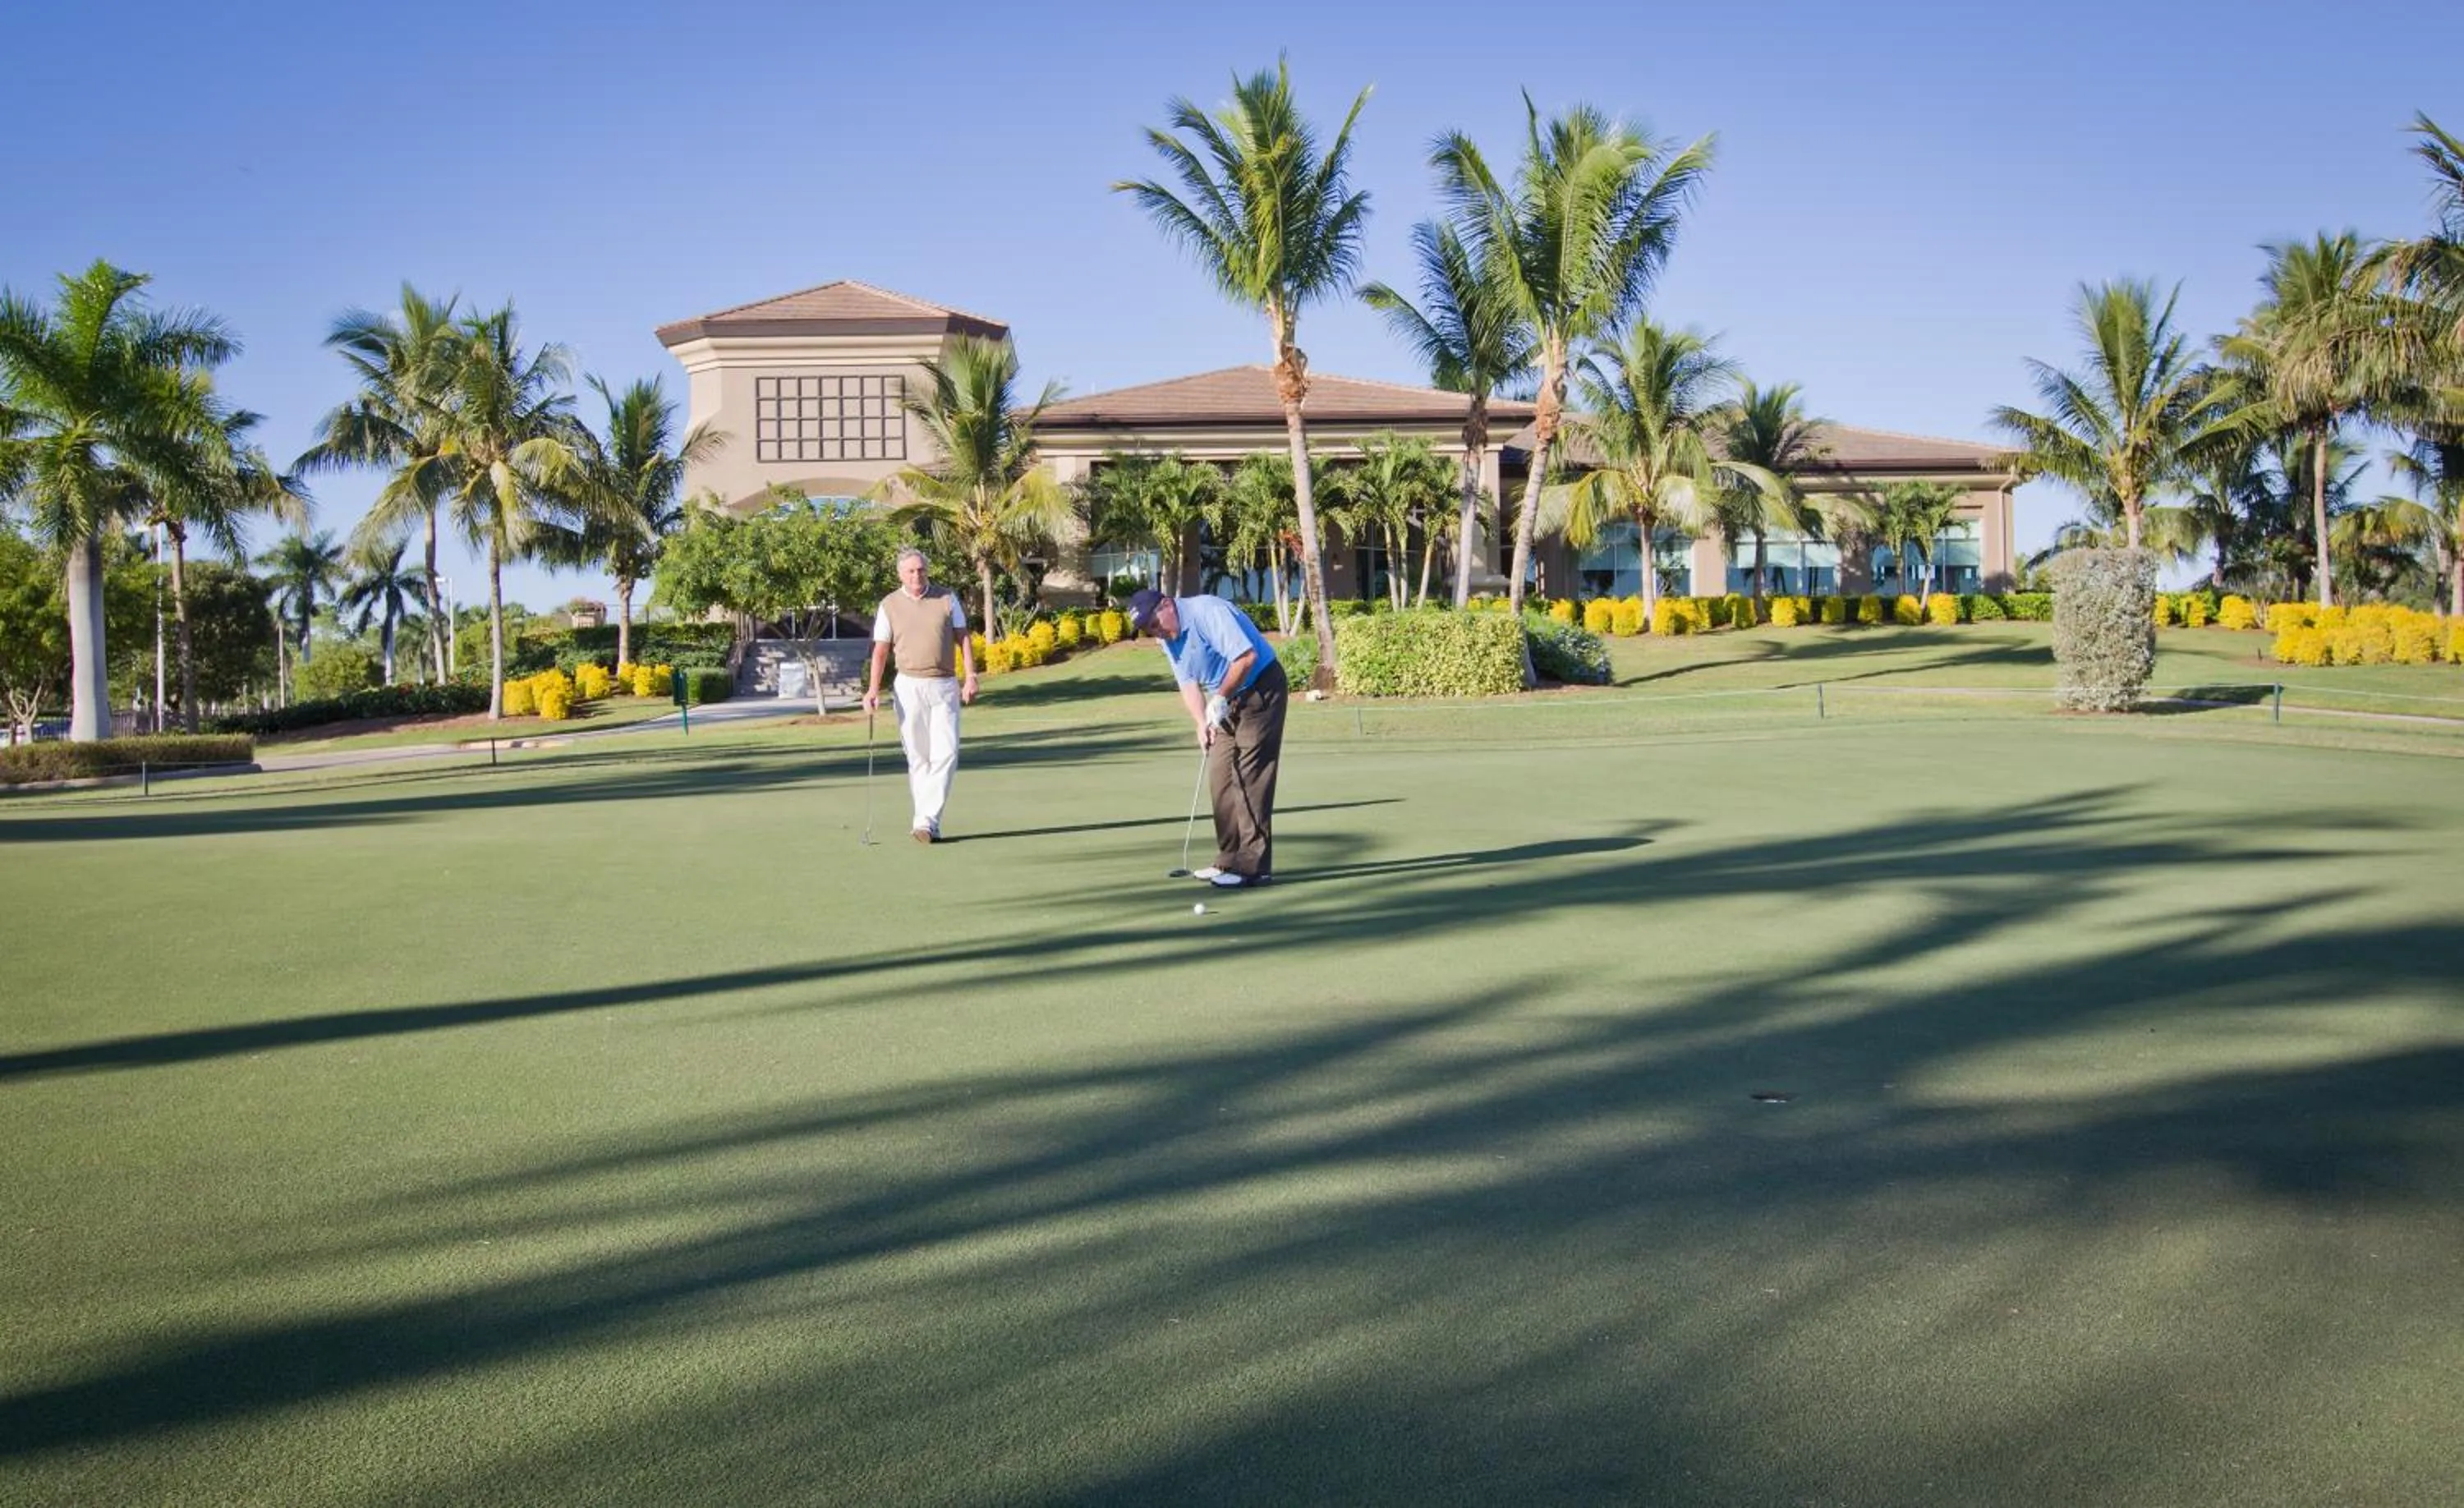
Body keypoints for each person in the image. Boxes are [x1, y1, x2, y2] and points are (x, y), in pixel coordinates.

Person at [1126, 586, 1287, 888]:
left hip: (1262, 688)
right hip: (1225, 702)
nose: (1155, 632)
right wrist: (1201, 722)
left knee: (1249, 776)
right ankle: (1229, 859)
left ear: (1167, 605)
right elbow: (1187, 682)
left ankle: (1254, 867)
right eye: (1148, 630)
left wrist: (1221, 698)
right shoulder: (1168, 638)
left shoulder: (1208, 612)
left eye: (1155, 624)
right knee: (1221, 776)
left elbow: (1245, 657)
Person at [862, 548, 977, 844]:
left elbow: (963, 638)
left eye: (921, 570)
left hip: (944, 684)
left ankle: (925, 820)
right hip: (908, 686)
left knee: (947, 753)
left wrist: (970, 677)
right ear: (901, 574)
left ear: (927, 571)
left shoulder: (947, 598)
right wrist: (873, 689)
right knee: (918, 757)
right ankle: (927, 823)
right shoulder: (889, 605)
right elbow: (880, 651)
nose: (917, 575)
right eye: (911, 571)